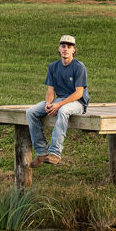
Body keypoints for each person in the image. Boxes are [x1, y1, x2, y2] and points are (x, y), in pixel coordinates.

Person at [26, 35, 89, 167]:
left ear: (74, 50)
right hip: (59, 99)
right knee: (31, 112)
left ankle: (55, 153)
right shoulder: (53, 66)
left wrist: (59, 105)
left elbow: (79, 93)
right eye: (63, 46)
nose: (65, 49)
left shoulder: (79, 67)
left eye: (69, 47)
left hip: (78, 103)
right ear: (59, 49)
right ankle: (41, 152)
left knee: (63, 111)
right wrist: (49, 103)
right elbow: (50, 90)